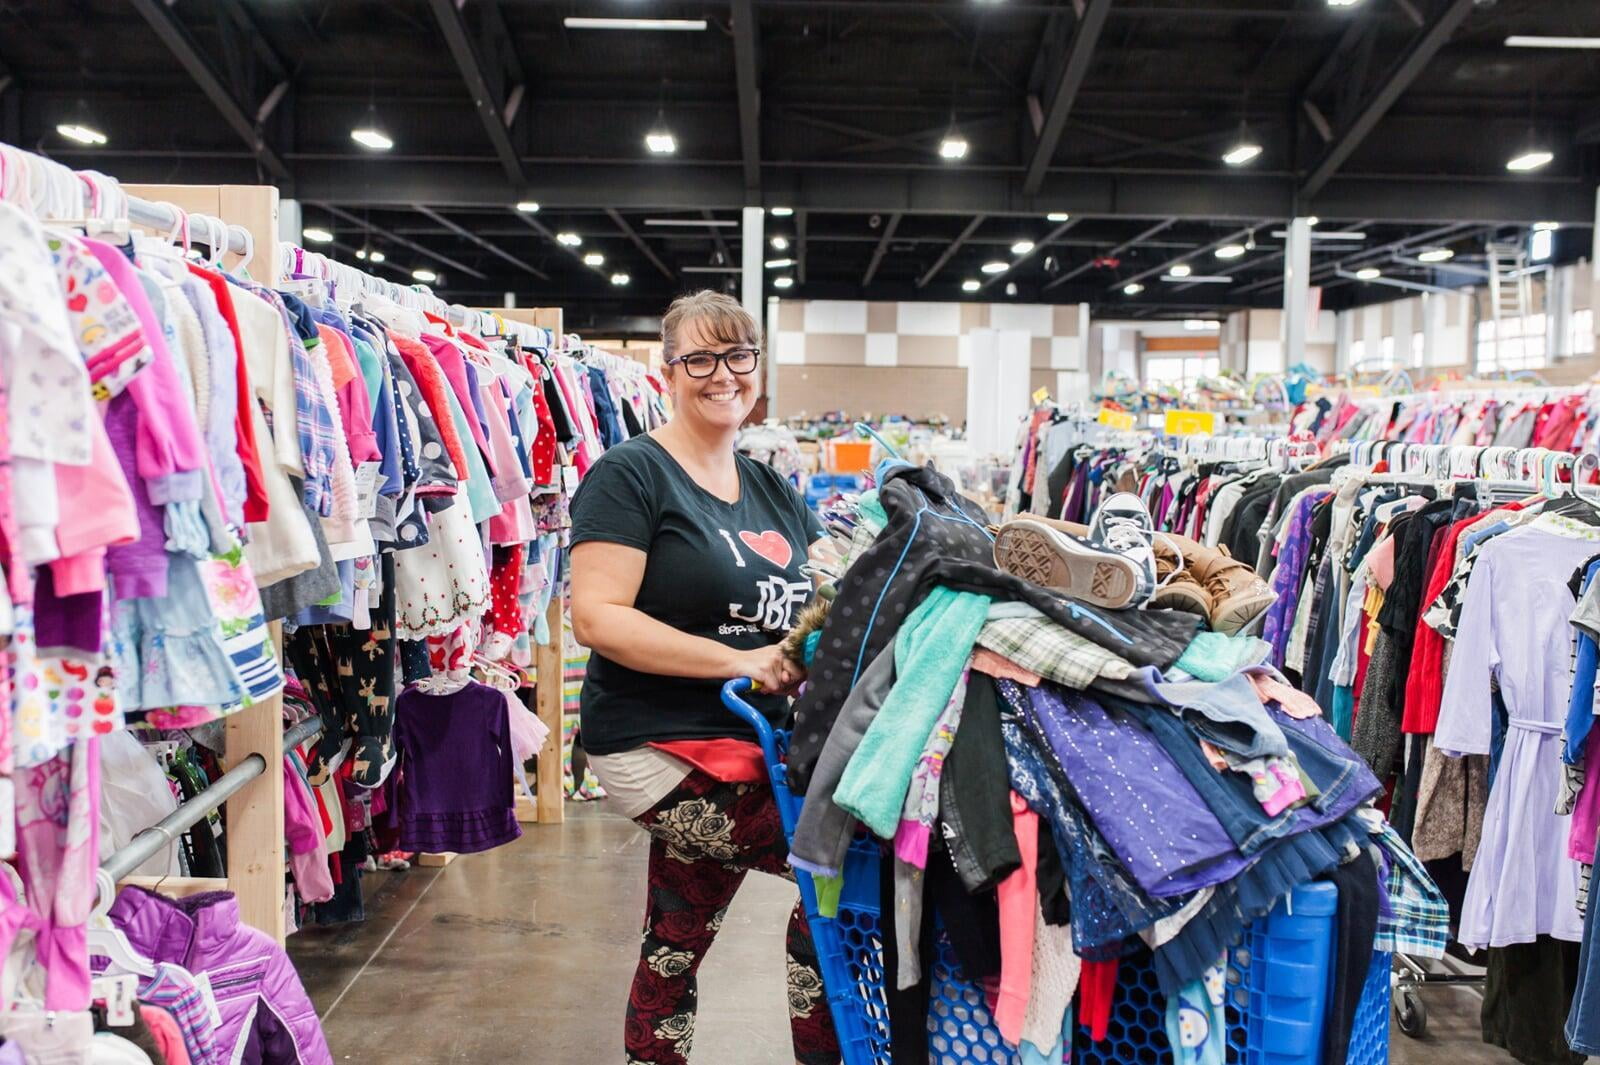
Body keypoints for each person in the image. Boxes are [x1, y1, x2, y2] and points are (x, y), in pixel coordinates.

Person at [568, 290, 840, 1065]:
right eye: (700, 358)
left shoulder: (770, 487)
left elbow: (821, 594)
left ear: (758, 367)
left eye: (738, 355)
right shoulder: (632, 475)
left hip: (743, 744)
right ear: (668, 371)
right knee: (839, 868)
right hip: (661, 746)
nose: (722, 374)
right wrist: (743, 659)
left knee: (675, 942)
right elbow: (598, 616)